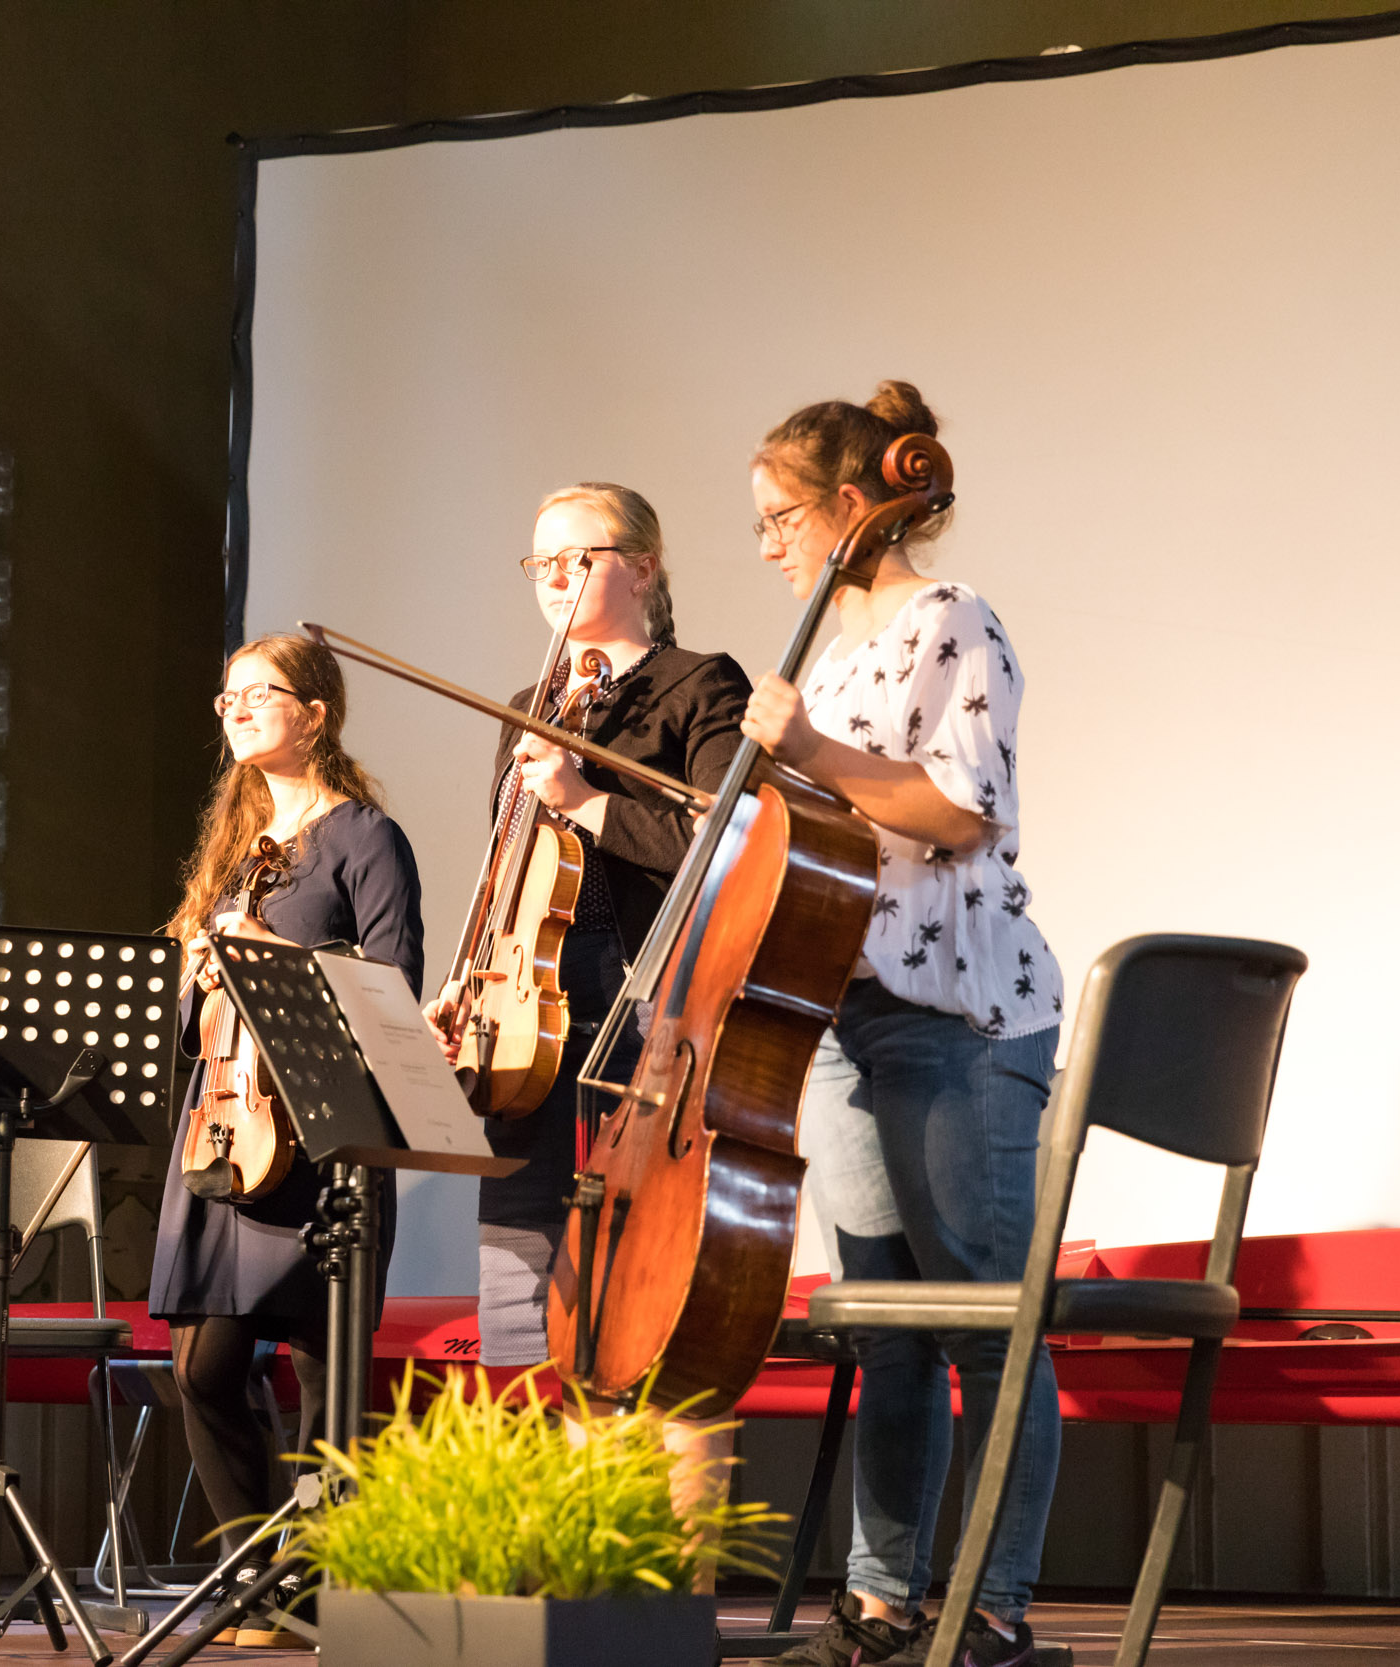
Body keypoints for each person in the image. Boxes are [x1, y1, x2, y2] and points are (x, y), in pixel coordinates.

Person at [745, 383, 1062, 1667]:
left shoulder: (949, 613)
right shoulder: (822, 650)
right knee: (880, 1313)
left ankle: (990, 1609)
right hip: (837, 1010)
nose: (765, 541)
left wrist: (811, 751)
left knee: (985, 1314)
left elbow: (960, 811)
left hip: (957, 1011)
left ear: (853, 504)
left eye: (779, 515)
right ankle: (880, 1602)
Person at [428, 483, 749, 1374]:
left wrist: (585, 799)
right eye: (542, 562)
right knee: (517, 1270)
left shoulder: (698, 682)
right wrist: (468, 972)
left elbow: (722, 845)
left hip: (635, 993)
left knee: (623, 1270)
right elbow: (503, 865)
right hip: (524, 1004)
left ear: (642, 567)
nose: (554, 577)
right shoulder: (529, 702)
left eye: (580, 557)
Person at [146, 632, 424, 1647]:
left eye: (259, 693)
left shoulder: (363, 836)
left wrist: (273, 955)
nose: (237, 709)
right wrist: (195, 979)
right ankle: (253, 1572)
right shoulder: (234, 845)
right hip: (225, 1112)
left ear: (315, 711)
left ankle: (320, 1587)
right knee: (202, 1367)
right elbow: (187, 1015)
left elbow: (391, 982)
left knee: (320, 1363)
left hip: (316, 1125)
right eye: (226, 698)